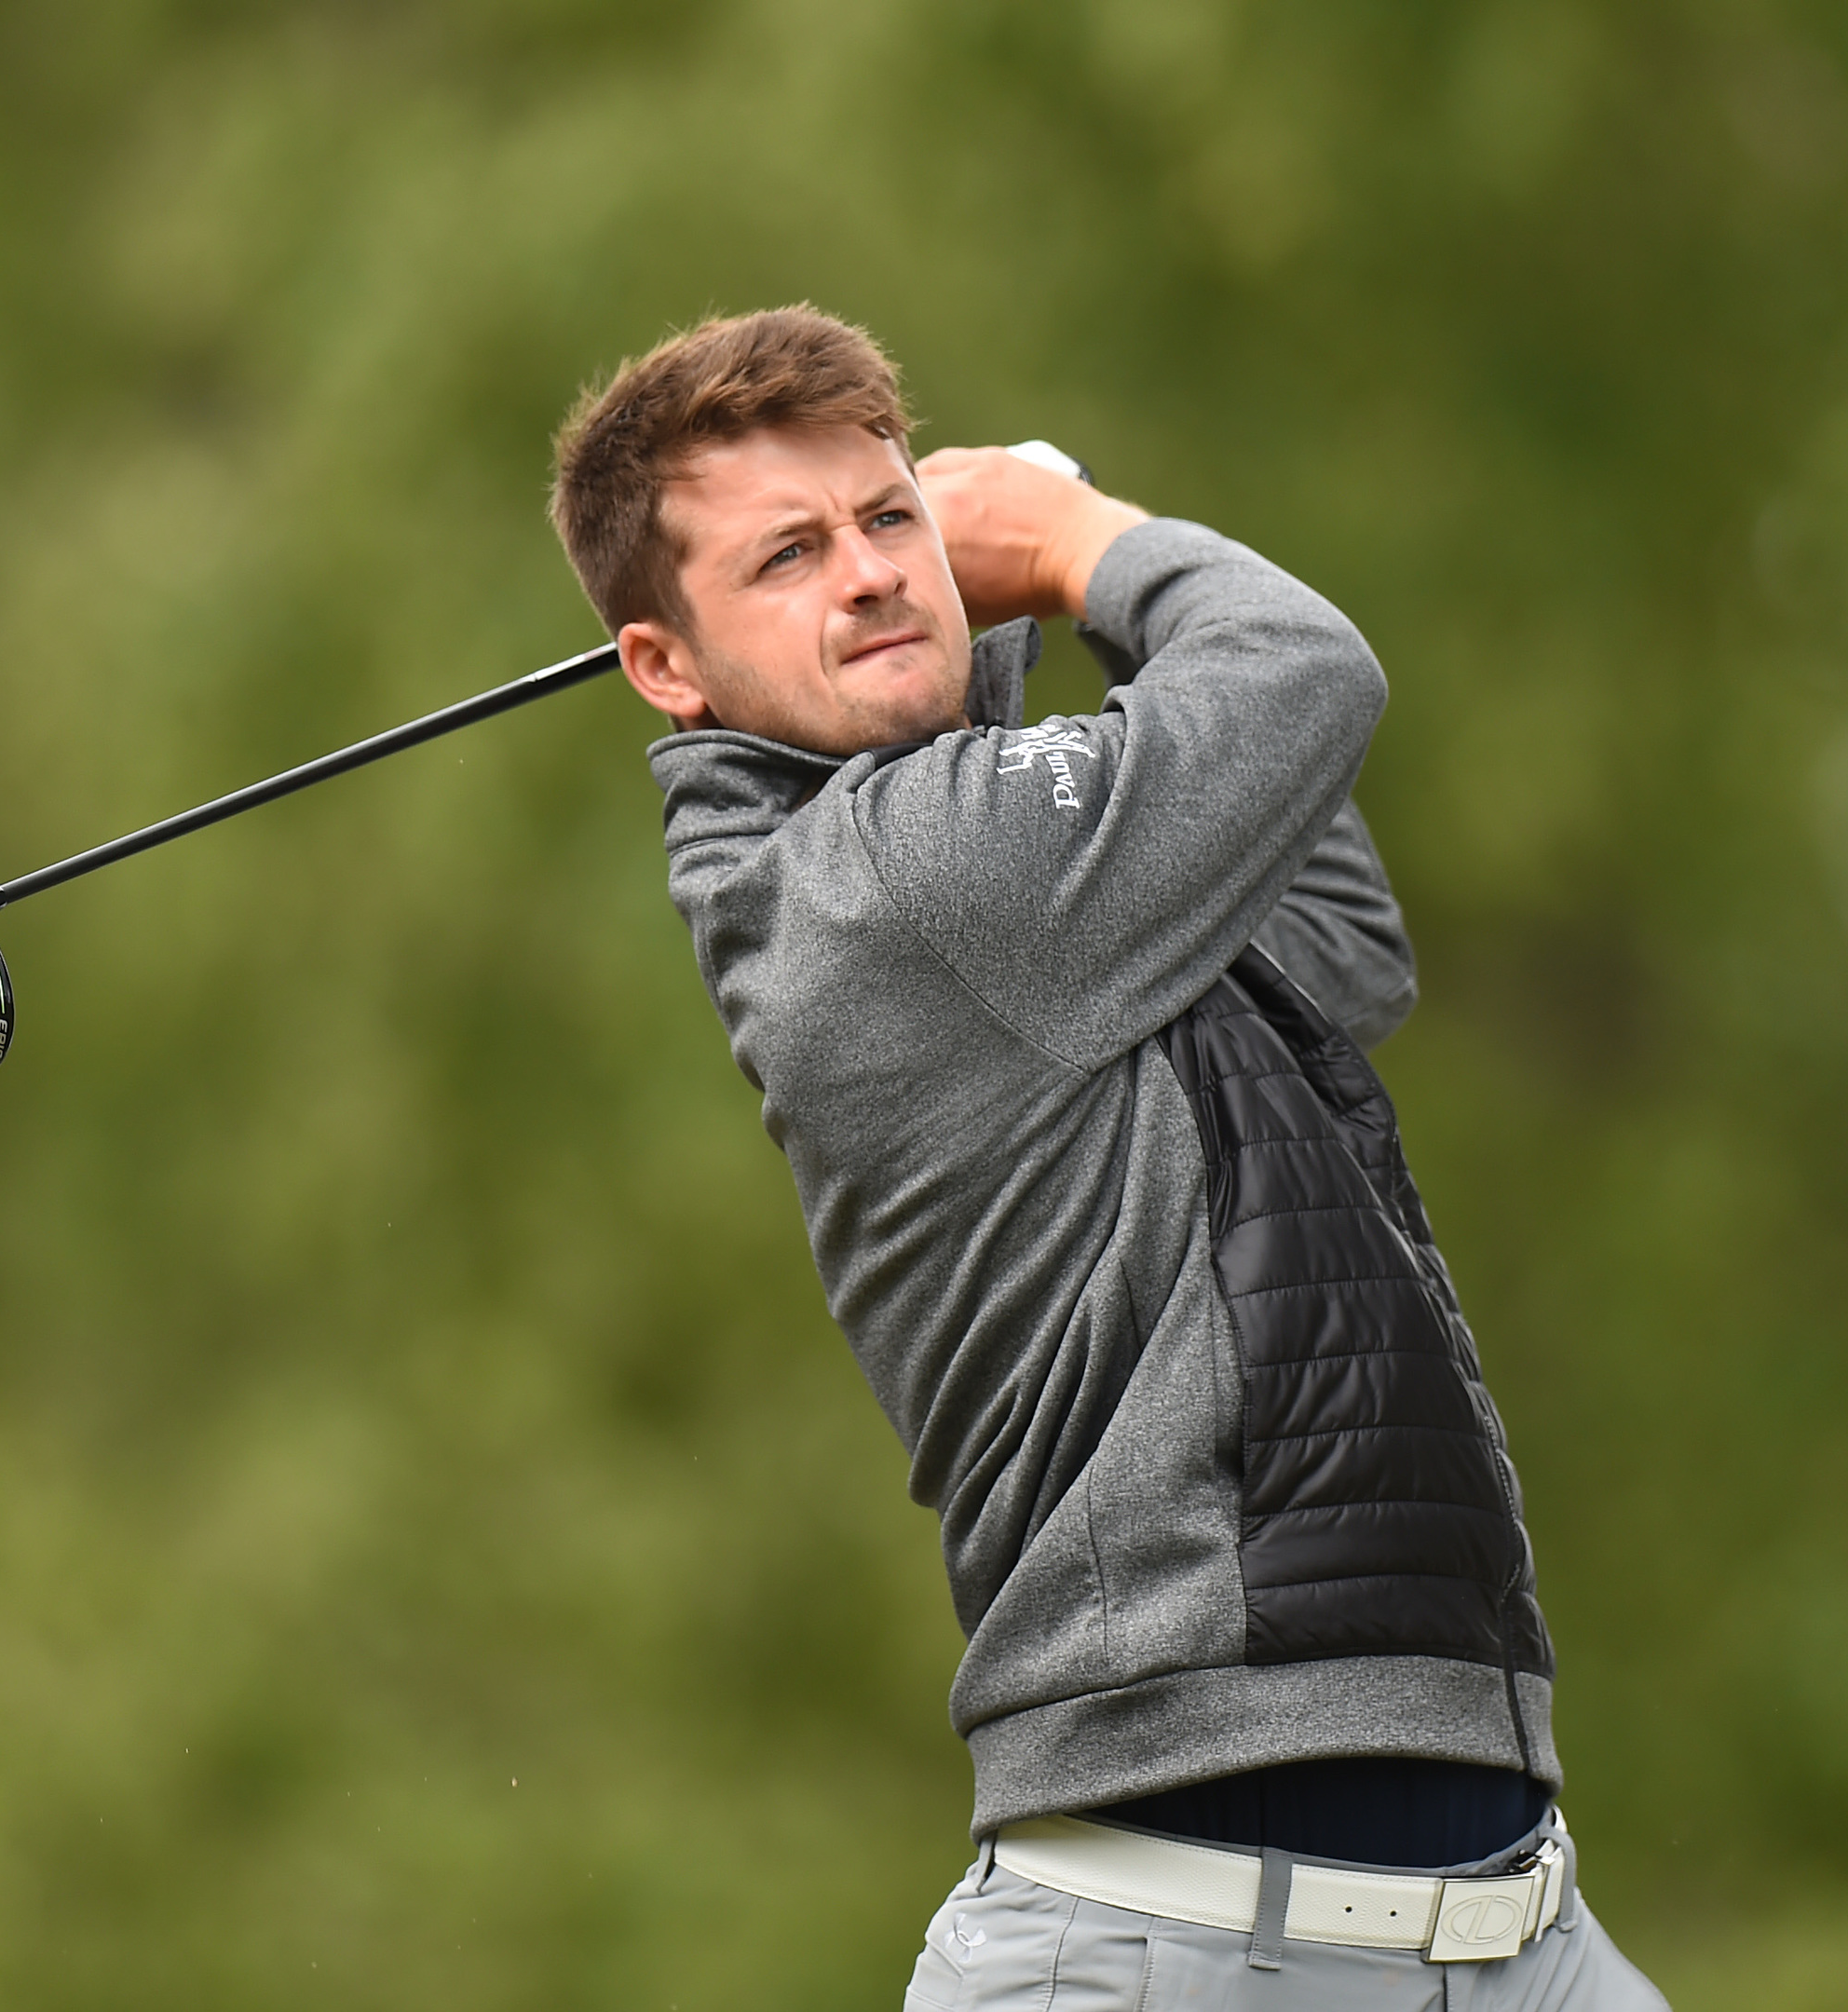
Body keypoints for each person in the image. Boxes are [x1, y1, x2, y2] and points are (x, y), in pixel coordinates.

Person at [550, 306, 1667, 2011]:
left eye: (885, 520)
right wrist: (1080, 550)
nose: (864, 573)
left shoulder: (1051, 891)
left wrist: (1032, 619)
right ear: (664, 666)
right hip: (1167, 1954)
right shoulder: (888, 883)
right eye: (787, 554)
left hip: (1517, 1942)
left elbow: (1346, 944)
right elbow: (1305, 676)